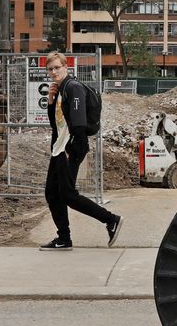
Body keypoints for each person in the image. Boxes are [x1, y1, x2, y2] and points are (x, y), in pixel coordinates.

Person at [40, 51, 122, 250]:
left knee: (68, 194)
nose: (54, 72)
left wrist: (73, 146)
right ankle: (64, 238)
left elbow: (78, 121)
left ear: (66, 67)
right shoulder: (59, 90)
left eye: (57, 68)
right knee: (52, 192)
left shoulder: (73, 87)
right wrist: (51, 102)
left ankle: (111, 220)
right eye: (50, 69)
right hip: (59, 147)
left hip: (70, 147)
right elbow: (55, 125)